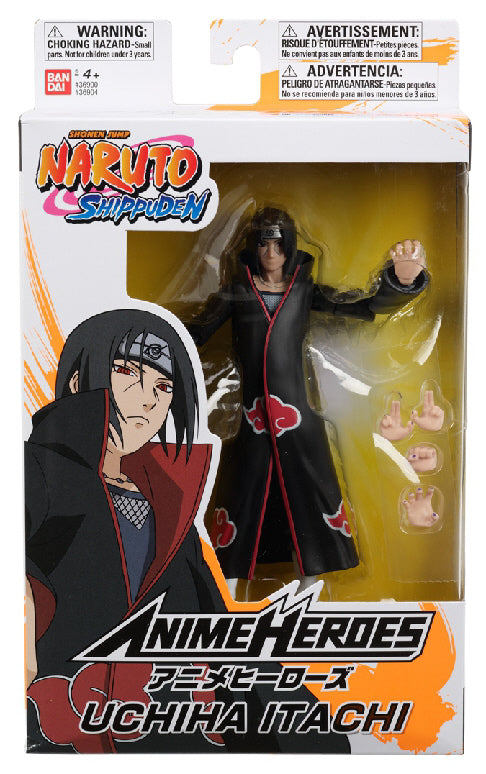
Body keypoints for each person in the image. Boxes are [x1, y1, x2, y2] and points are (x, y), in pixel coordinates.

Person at [188, 207, 429, 593]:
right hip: (252, 417)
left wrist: (401, 281)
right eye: (263, 244)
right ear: (252, 247)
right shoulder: (236, 292)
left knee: (309, 490)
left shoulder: (304, 291)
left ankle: (311, 578)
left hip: (298, 412)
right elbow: (196, 331)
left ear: (290, 247)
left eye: (278, 244)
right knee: (243, 492)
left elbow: (362, 307)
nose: (271, 253)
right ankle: (228, 582)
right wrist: (145, 339)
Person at [25, 308, 225, 751]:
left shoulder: (170, 510)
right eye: (127, 372)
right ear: (78, 381)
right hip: (55, 723)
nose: (149, 400)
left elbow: (219, 635)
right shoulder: (37, 470)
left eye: (164, 387)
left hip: (162, 728)